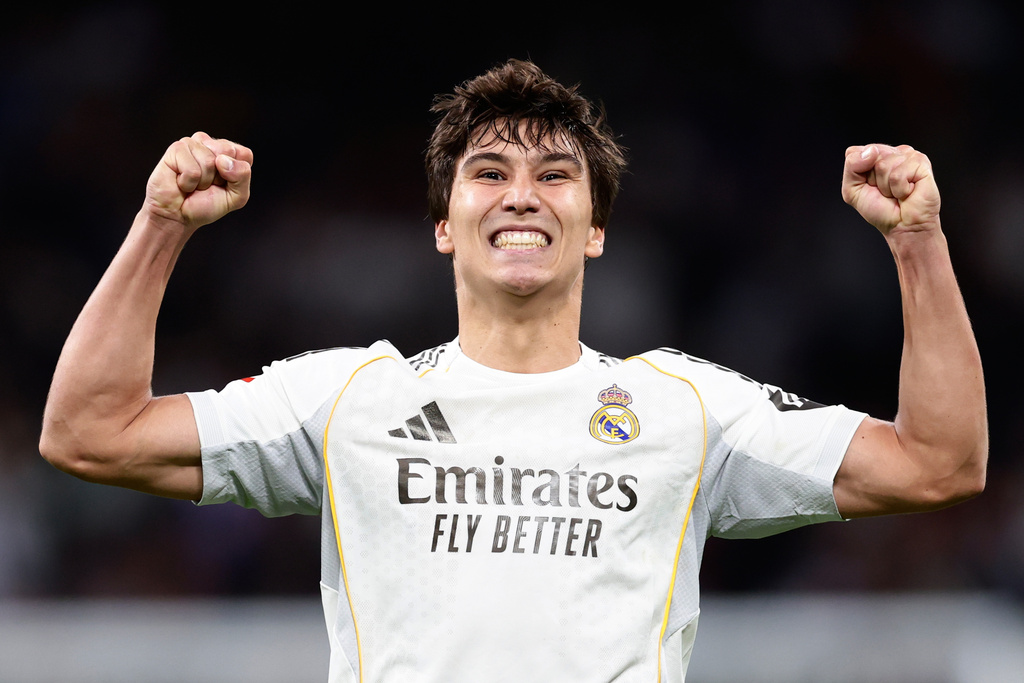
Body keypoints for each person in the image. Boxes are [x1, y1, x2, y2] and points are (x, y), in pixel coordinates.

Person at [40, 59, 987, 682]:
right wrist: (162, 226)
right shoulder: (343, 399)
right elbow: (89, 430)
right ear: (446, 224)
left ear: (598, 227)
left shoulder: (689, 408)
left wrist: (918, 242)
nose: (522, 194)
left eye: (557, 175)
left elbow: (938, 460)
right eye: (488, 172)